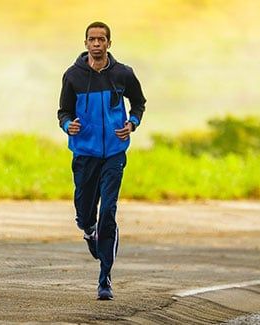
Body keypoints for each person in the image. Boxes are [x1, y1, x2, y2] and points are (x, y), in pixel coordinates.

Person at [56, 21, 146, 300]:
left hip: (114, 153)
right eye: (92, 39)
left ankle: (105, 277)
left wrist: (132, 123)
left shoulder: (123, 74)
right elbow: (63, 111)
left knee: (108, 210)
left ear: (109, 43)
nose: (96, 44)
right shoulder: (73, 76)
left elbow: (139, 103)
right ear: (85, 44)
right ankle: (88, 229)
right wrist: (67, 124)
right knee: (85, 213)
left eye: (101, 39)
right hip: (85, 153)